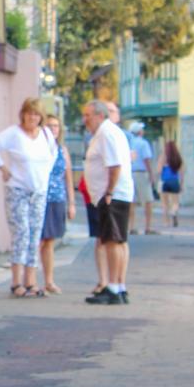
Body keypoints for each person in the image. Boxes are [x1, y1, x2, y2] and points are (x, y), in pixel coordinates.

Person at [0, 98, 59, 298]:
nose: (32, 117)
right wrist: (2, 168)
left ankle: (31, 280)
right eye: (29, 113)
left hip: (39, 192)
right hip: (18, 190)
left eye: (36, 114)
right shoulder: (14, 134)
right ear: (23, 114)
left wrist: (44, 177)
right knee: (21, 233)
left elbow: (53, 155)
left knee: (35, 235)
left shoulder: (45, 135)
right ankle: (16, 281)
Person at [81, 100, 135, 305]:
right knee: (117, 241)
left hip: (112, 194)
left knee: (112, 241)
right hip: (115, 193)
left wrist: (109, 192)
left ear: (100, 116)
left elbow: (114, 165)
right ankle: (118, 286)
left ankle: (113, 287)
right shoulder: (108, 132)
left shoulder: (106, 133)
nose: (85, 119)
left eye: (89, 115)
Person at [37, 114, 76, 295]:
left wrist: (72, 203)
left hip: (56, 198)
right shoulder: (38, 148)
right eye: (50, 125)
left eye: (56, 126)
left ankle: (49, 280)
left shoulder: (62, 151)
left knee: (50, 241)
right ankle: (31, 280)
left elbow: (68, 179)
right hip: (39, 197)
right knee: (38, 240)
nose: (53, 129)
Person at [126, 121, 159, 235]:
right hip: (141, 173)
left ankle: (131, 226)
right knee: (148, 200)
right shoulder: (143, 143)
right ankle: (148, 226)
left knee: (131, 201)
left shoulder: (128, 142)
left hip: (129, 173)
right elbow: (147, 159)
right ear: (140, 132)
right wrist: (151, 174)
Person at [160, 140, 184, 228]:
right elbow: (181, 173)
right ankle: (173, 212)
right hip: (175, 181)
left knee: (165, 203)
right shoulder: (178, 158)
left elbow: (158, 170)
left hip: (165, 181)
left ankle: (166, 222)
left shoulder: (164, 157)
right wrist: (181, 185)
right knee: (175, 202)